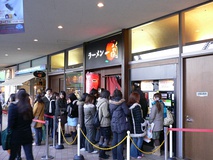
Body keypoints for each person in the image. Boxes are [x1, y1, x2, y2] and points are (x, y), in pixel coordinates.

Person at [8, 89, 34, 160]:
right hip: (27, 134)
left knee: (13, 155)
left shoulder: (13, 107)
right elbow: (30, 120)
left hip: (16, 135)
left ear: (17, 96)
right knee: (29, 155)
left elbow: (10, 124)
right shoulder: (29, 107)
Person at [109, 89, 130, 160]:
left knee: (114, 140)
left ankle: (114, 157)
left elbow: (110, 113)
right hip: (121, 123)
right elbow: (127, 112)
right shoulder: (122, 102)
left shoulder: (111, 103)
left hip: (114, 123)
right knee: (120, 142)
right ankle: (120, 158)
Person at [127, 92, 146, 159]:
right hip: (138, 126)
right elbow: (139, 118)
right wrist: (144, 122)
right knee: (139, 139)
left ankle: (135, 153)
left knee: (134, 140)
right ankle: (136, 153)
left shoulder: (129, 106)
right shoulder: (137, 106)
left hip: (132, 126)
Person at [97, 89, 111, 159]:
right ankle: (102, 153)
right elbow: (105, 114)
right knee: (106, 139)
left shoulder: (99, 102)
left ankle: (100, 152)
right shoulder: (105, 103)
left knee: (101, 137)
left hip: (100, 123)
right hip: (105, 123)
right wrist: (110, 112)